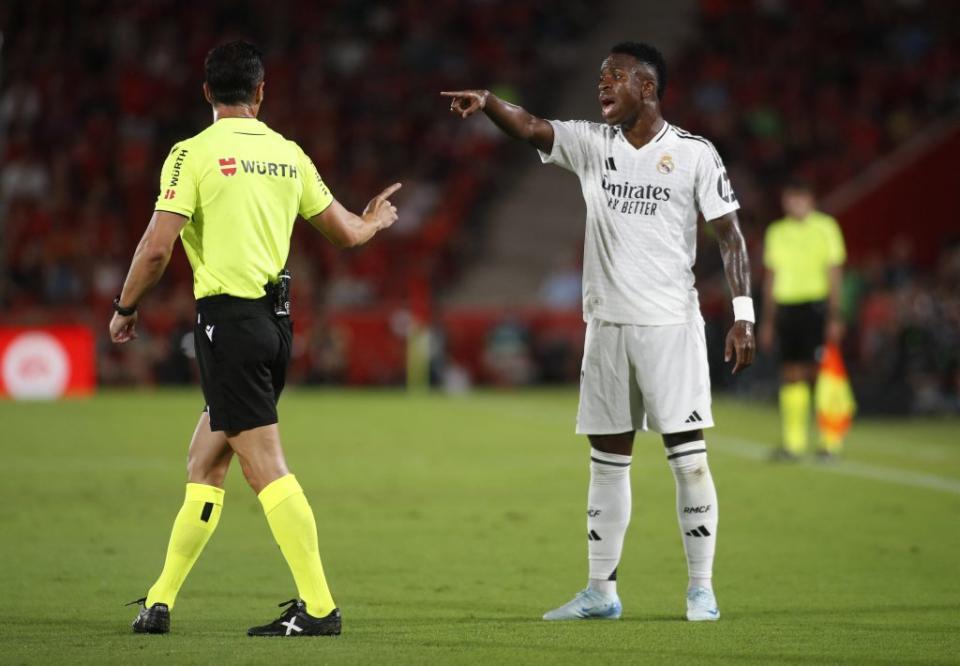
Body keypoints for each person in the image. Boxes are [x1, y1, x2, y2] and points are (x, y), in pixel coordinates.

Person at [442, 41, 754, 622]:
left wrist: (743, 315)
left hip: (669, 326)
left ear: (649, 88)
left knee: (687, 459)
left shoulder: (694, 155)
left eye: (616, 76)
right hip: (606, 327)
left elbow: (730, 237)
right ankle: (601, 592)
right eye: (600, 77)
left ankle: (701, 589)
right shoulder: (592, 144)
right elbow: (532, 127)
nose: (603, 84)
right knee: (607, 460)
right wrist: (488, 102)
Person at [109, 41, 401, 637]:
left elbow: (158, 246)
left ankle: (319, 608)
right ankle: (159, 602)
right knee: (205, 460)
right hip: (275, 326)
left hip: (229, 325)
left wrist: (124, 308)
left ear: (207, 92)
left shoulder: (190, 153)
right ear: (261, 92)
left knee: (264, 467)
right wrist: (374, 219)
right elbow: (345, 232)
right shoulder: (288, 154)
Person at [759, 180, 846, 459]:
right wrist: (767, 321)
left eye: (801, 198)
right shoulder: (776, 232)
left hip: (815, 307)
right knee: (790, 373)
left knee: (819, 373)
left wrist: (835, 314)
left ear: (811, 200)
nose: (796, 204)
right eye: (791, 199)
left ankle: (828, 442)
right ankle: (793, 443)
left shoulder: (826, 227)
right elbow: (770, 278)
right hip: (786, 308)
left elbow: (834, 273)